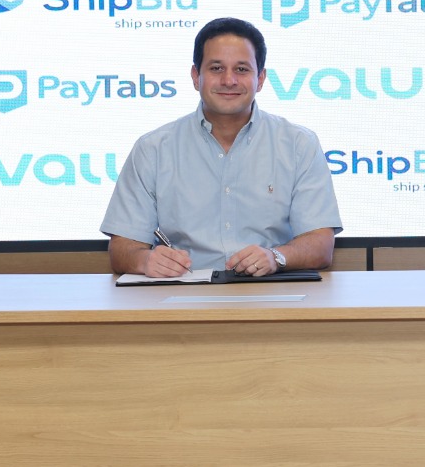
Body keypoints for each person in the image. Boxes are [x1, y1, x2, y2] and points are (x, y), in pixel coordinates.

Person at [101, 17, 342, 277]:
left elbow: (321, 244)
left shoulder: (299, 145)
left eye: (241, 69)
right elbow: (122, 248)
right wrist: (145, 260)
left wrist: (276, 257)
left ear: (260, 79)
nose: (229, 80)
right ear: (196, 77)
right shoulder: (153, 149)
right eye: (216, 68)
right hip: (182, 291)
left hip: (270, 288)